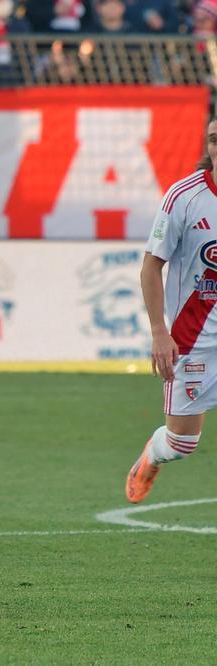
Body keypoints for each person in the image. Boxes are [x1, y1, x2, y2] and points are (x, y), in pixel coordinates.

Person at [126, 117, 217, 503]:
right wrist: (160, 334)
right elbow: (151, 265)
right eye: (214, 139)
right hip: (193, 339)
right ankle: (152, 456)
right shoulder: (184, 197)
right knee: (181, 443)